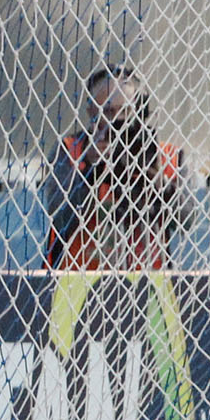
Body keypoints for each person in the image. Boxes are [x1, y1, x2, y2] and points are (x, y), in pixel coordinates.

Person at [43, 66, 196, 271]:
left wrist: (155, 179)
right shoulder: (71, 151)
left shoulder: (166, 156)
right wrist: (89, 172)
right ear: (91, 112)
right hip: (79, 280)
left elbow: (187, 220)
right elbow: (59, 217)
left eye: (126, 111)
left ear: (139, 111)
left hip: (147, 278)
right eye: (108, 111)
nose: (117, 122)